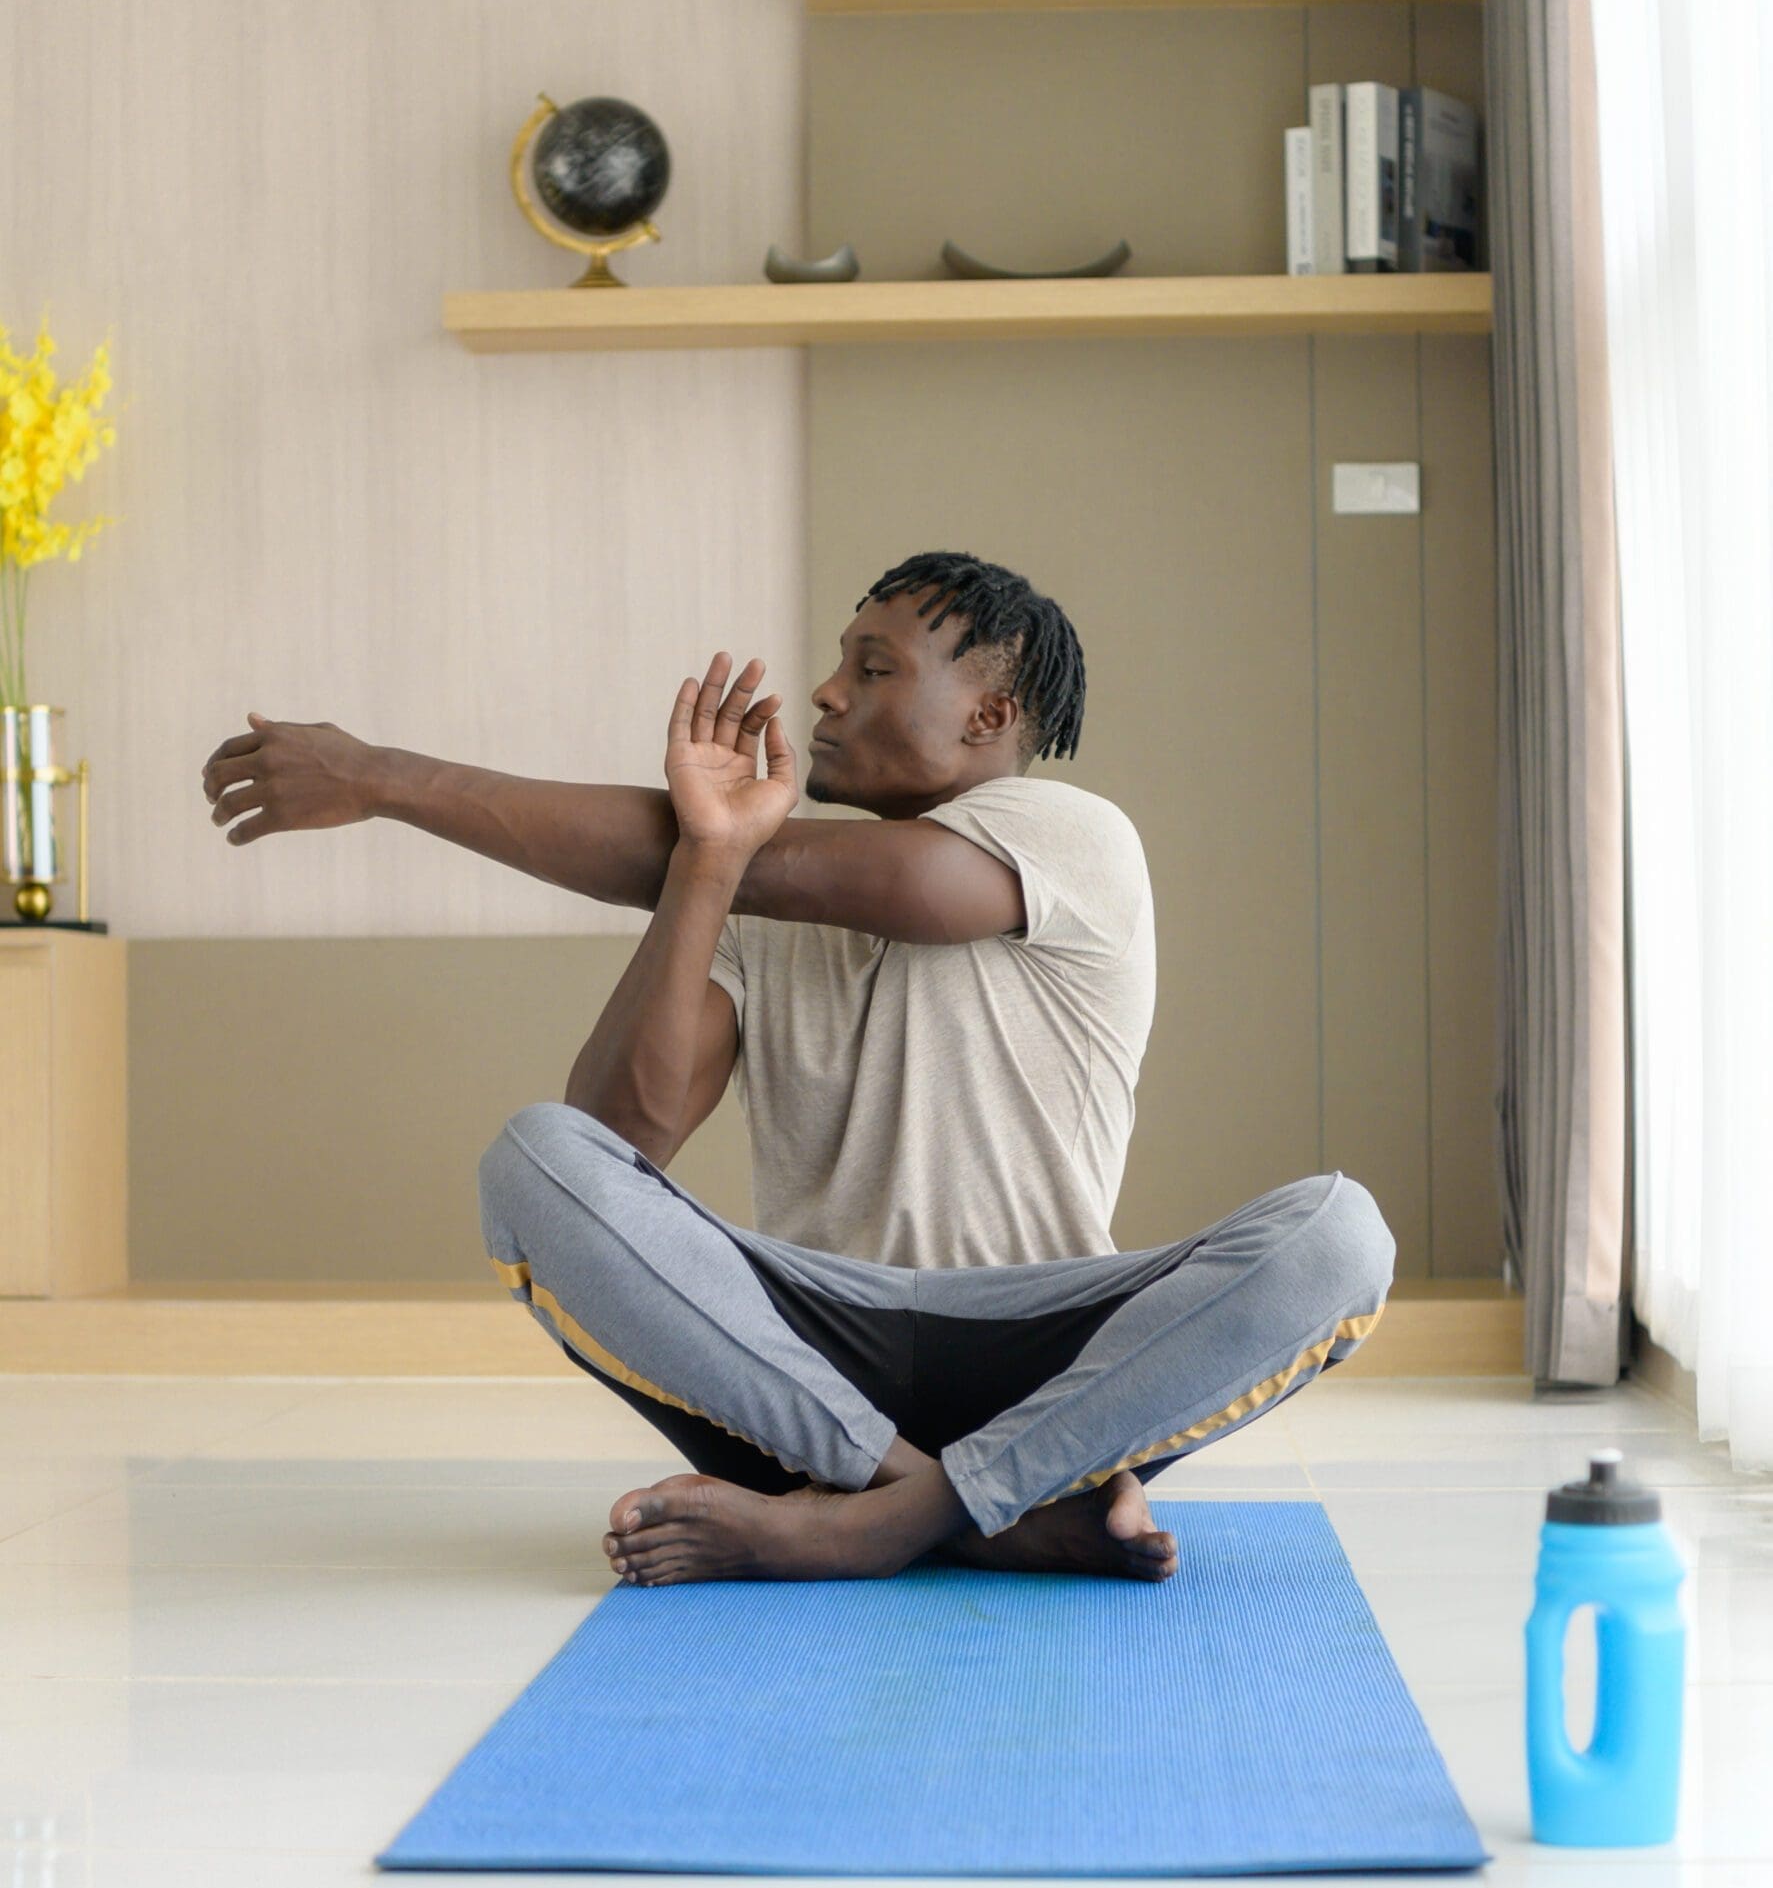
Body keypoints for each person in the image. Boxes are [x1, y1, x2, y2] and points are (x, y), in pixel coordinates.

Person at [200, 549, 1395, 1588]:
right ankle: (970, 1509)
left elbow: (885, 882)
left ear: (992, 712)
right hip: (809, 1371)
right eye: (841, 662)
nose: (825, 691)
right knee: (533, 1159)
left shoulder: (1071, 834)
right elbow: (622, 1137)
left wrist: (388, 780)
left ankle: (868, 1528)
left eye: (874, 668)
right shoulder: (759, 891)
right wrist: (707, 864)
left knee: (1340, 1237)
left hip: (1053, 1351)